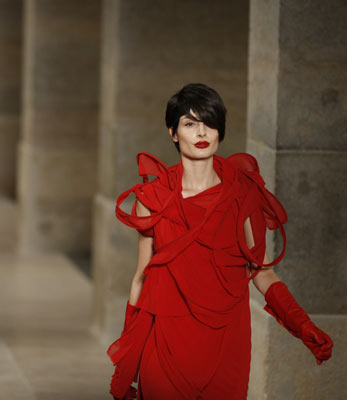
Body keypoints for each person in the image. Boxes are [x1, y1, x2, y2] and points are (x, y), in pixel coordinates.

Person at [107, 83, 333, 399]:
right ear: (173, 133)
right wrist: (127, 356)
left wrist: (302, 324)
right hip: (168, 339)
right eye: (190, 124)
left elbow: (261, 271)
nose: (202, 133)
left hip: (228, 339)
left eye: (210, 123)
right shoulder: (154, 199)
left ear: (220, 131)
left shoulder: (242, 193)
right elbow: (142, 277)